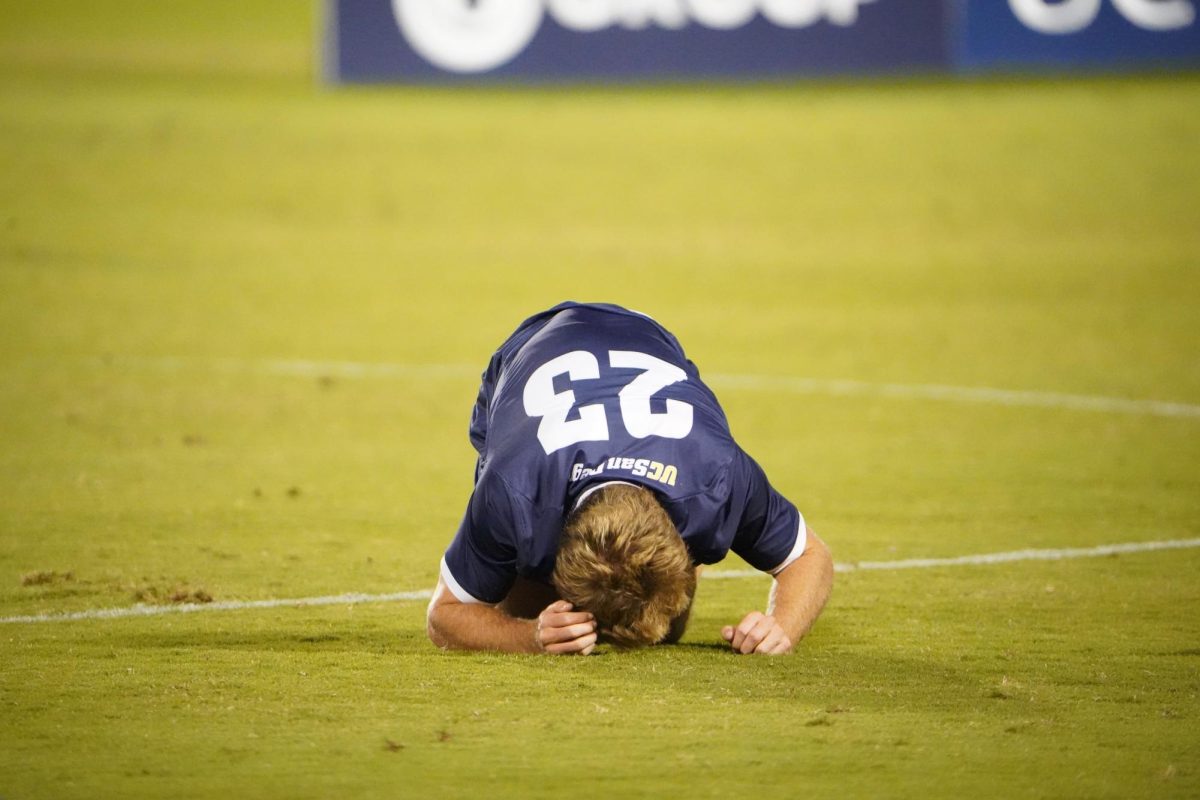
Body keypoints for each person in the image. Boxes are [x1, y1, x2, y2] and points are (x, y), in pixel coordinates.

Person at [426, 302, 833, 656]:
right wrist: (529, 636)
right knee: (541, 618)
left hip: (648, 339)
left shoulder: (717, 474)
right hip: (527, 351)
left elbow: (810, 556)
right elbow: (444, 615)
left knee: (663, 631)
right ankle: (545, 592)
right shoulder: (514, 488)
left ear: (681, 535)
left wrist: (781, 628)